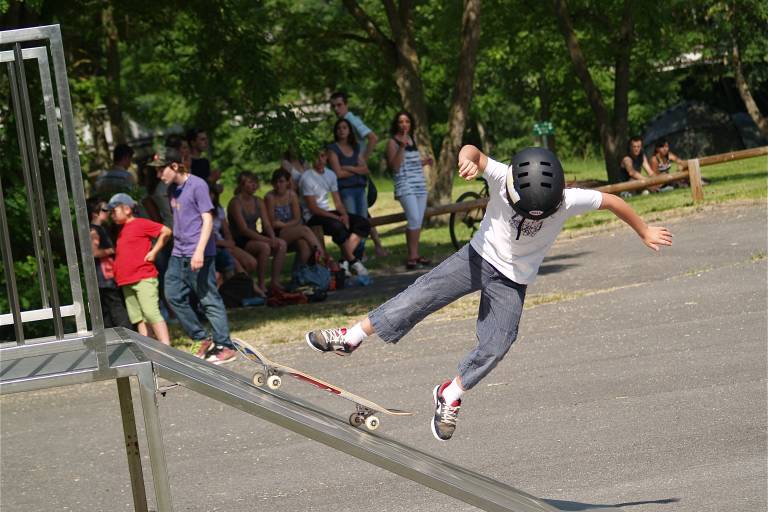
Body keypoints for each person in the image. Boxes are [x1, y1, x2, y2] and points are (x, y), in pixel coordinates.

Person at [305, 145, 673, 441]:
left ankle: (451, 393)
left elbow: (612, 201)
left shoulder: (568, 199)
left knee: (499, 342)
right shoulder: (501, 175)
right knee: (419, 297)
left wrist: (643, 230)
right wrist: (466, 160)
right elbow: (473, 152)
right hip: (476, 258)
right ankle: (350, 337)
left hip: (513, 280)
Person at [152, 147, 237, 364]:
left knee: (208, 298)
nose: (158, 175)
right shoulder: (172, 189)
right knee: (172, 295)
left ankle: (225, 346)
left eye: (161, 169)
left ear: (174, 166)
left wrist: (199, 251)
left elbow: (207, 220)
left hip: (199, 252)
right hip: (178, 252)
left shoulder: (198, 185)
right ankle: (200, 338)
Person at [107, 193, 172, 345]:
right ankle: (147, 347)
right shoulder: (121, 229)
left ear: (127, 209)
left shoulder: (141, 223)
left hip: (143, 277)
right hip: (126, 281)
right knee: (138, 318)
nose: (112, 215)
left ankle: (165, 346)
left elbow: (166, 231)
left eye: (114, 211)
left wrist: (154, 252)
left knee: (151, 313)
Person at [330, 91, 388, 258]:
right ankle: (372, 249)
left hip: (356, 174)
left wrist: (362, 159)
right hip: (350, 177)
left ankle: (359, 253)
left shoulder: (351, 119)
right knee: (361, 216)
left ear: (346, 105)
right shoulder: (342, 124)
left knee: (359, 217)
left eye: (339, 105)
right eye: (333, 106)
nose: (336, 109)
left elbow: (373, 138)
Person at [300, 148, 371, 277]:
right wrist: (336, 217)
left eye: (322, 156)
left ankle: (343, 262)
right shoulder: (307, 177)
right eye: (316, 157)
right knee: (337, 226)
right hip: (312, 216)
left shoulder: (330, 174)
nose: (319, 160)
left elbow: (337, 202)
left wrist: (344, 215)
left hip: (327, 213)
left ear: (326, 157)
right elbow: (313, 208)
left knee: (362, 223)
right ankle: (353, 261)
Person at [386, 110, 432, 270]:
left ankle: (415, 254)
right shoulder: (392, 142)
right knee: (413, 218)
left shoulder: (412, 139)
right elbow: (395, 166)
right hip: (405, 185)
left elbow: (411, 163)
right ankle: (411, 256)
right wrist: (401, 146)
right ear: (396, 124)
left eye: (407, 121)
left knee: (418, 220)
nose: (404, 124)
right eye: (401, 122)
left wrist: (424, 162)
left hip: (419, 185)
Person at [227, 171, 287, 294]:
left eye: (255, 182)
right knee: (264, 247)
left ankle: (275, 282)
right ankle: (261, 284)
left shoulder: (258, 201)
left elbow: (266, 224)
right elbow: (243, 230)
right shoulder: (235, 203)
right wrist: (266, 240)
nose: (254, 185)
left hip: (255, 236)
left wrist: (272, 237)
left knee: (281, 244)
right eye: (250, 182)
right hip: (241, 240)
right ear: (242, 185)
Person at [87, 197, 132, 330]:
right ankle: (128, 334)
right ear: (95, 213)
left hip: (105, 276)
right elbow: (94, 253)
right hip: (104, 277)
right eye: (105, 210)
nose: (109, 212)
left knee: (108, 309)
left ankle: (114, 335)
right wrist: (113, 250)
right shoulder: (94, 230)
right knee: (116, 307)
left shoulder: (101, 228)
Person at [209, 183, 263, 294]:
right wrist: (222, 243)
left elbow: (226, 230)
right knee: (236, 265)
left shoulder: (218, 209)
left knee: (251, 263)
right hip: (214, 246)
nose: (209, 196)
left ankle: (241, 289)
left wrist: (229, 240)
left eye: (211, 193)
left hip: (224, 243)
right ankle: (255, 291)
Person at [264, 168, 325, 266]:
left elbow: (297, 218)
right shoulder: (270, 197)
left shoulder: (292, 195)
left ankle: (299, 272)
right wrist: (287, 225)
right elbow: (273, 223)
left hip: (291, 229)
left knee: (304, 246)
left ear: (288, 182)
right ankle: (323, 257)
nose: (278, 185)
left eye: (281, 181)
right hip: (275, 234)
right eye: (275, 182)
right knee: (304, 230)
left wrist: (284, 225)